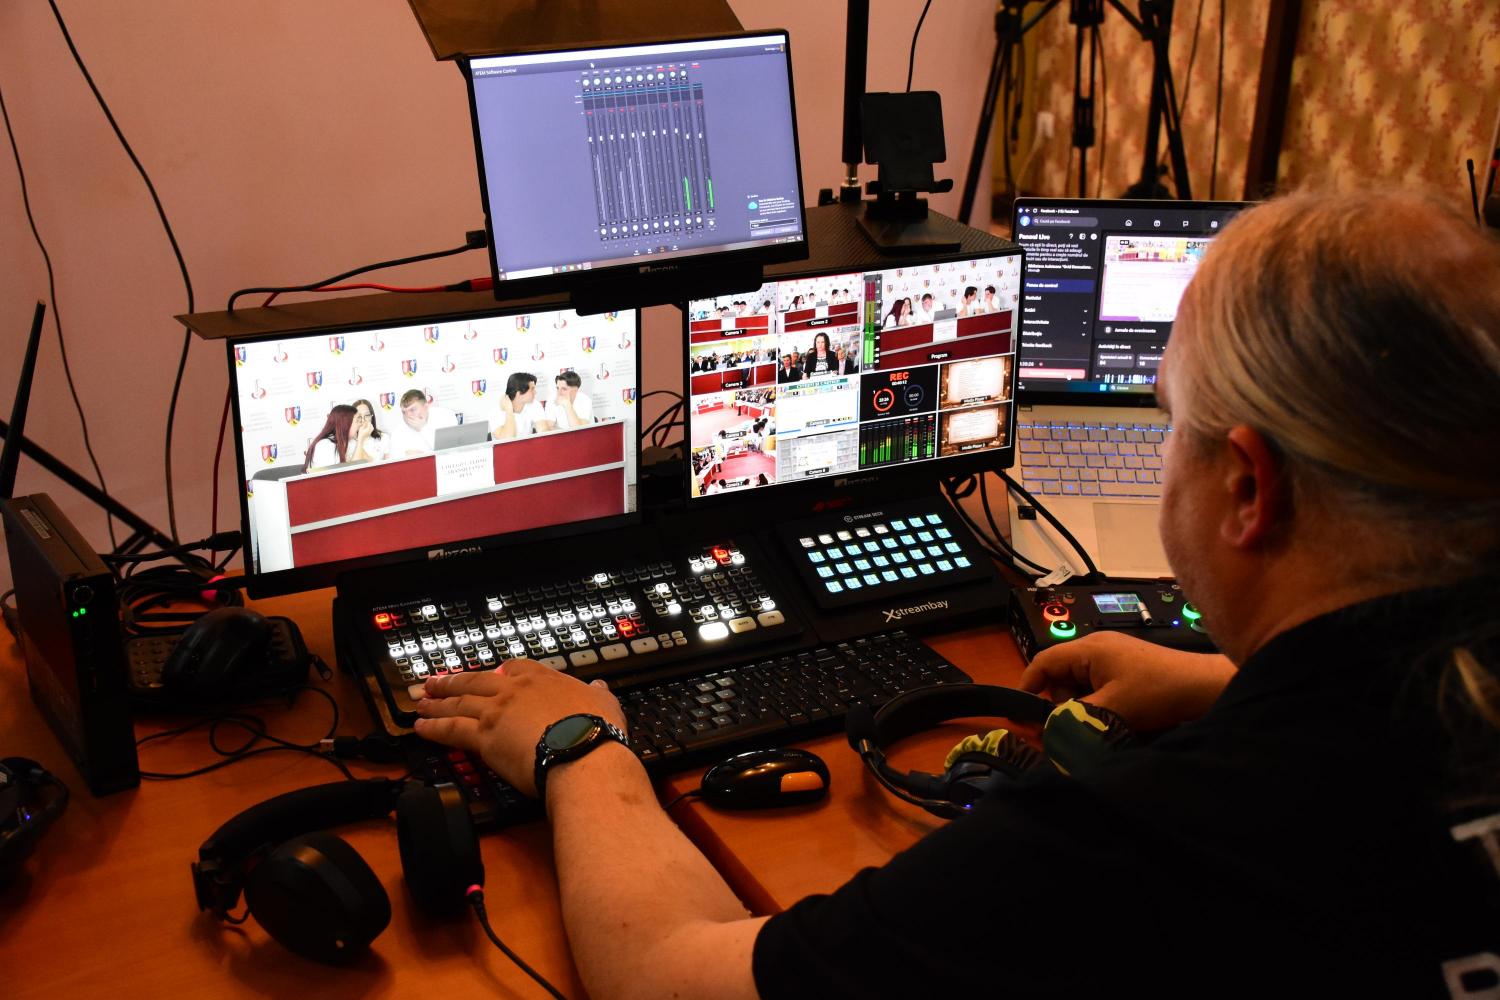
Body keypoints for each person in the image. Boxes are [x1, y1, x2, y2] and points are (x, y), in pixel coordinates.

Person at [408, 192, 1500, 996]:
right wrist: (1230, 685)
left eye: (1171, 422)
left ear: (1247, 487)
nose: (1165, 450)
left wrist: (582, 750)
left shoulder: (1126, 848)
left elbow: (663, 976)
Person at [387, 389, 457, 457]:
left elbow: (450, 452)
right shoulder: (398, 431)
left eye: (412, 410)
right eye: (404, 412)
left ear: (426, 407)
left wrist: (422, 428)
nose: (408, 415)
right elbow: (394, 458)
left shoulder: (446, 416)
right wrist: (405, 456)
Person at [495, 372, 552, 439]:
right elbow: (507, 438)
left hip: (528, 445)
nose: (535, 392)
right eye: (532, 389)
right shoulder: (496, 411)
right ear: (519, 393)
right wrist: (509, 410)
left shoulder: (534, 404)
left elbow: (544, 433)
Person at [302, 403, 358, 471]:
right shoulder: (325, 445)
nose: (360, 425)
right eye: (357, 422)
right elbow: (332, 475)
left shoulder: (352, 442)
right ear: (345, 424)